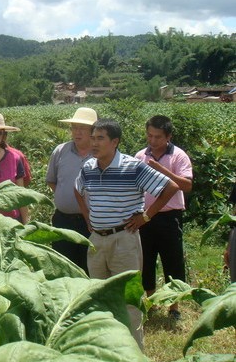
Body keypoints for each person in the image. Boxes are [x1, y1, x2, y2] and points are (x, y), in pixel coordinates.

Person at [74, 119, 179, 349]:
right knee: (98, 297)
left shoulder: (133, 167)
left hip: (124, 239)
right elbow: (77, 188)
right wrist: (87, 217)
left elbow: (170, 187)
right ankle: (105, 350)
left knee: (128, 300)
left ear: (115, 142)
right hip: (97, 241)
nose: (94, 143)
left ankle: (133, 354)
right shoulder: (88, 168)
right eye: (93, 137)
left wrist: (146, 216)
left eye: (100, 138)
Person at [135, 115, 193, 320]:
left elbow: (186, 185)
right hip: (145, 217)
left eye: (158, 137)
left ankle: (174, 306)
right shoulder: (140, 156)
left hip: (170, 217)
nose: (152, 141)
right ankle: (151, 302)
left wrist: (163, 171)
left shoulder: (179, 156)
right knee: (146, 261)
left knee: (172, 261)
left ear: (168, 136)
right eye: (149, 136)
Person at [46, 107, 98, 274]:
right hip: (63, 220)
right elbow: (52, 181)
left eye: (82, 128)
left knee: (89, 266)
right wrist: (65, 197)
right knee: (63, 266)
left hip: (91, 222)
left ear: (92, 131)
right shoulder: (60, 151)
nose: (77, 132)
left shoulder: (100, 154)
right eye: (74, 127)